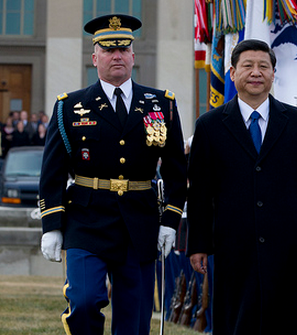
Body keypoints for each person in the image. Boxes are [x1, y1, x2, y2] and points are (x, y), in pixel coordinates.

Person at [38, 14, 187, 335]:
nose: (116, 56)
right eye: (108, 50)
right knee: (84, 299)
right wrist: (51, 224)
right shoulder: (71, 106)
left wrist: (170, 222)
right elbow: (52, 170)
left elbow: (177, 171)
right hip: (86, 219)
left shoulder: (161, 104)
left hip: (140, 220)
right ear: (95, 58)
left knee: (134, 317)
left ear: (133, 55)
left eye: (123, 49)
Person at [186, 39, 297, 334]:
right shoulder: (210, 125)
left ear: (273, 74)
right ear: (232, 73)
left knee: (287, 321)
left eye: (263, 66)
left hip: (288, 246)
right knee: (237, 320)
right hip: (233, 245)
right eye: (248, 66)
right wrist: (198, 243)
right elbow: (200, 193)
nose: (256, 72)